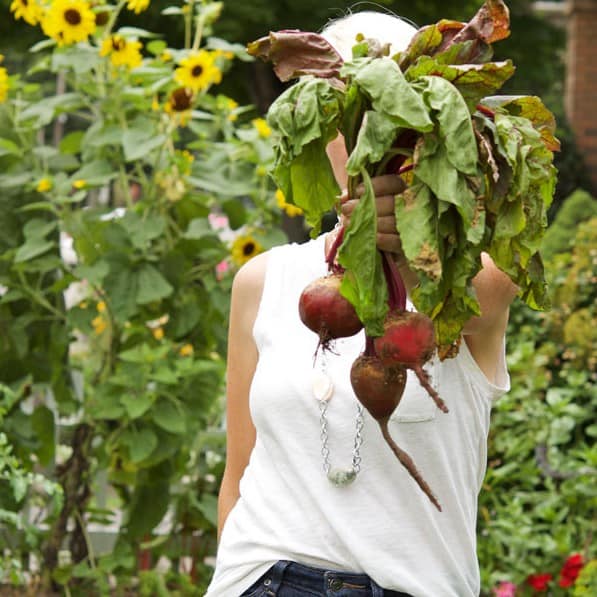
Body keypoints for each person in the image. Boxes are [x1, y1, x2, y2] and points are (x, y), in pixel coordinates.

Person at [205, 10, 518, 597]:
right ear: (324, 128)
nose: (370, 137)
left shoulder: (478, 278)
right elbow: (238, 473)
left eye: (391, 116)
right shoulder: (264, 280)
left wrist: (415, 243)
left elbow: (469, 305)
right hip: (267, 580)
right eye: (349, 114)